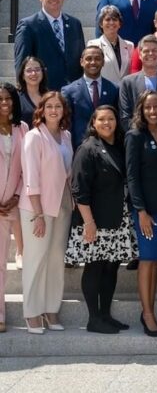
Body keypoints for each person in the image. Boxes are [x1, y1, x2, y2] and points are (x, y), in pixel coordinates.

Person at [66, 105, 136, 333]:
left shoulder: (118, 145)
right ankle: (93, 318)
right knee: (94, 268)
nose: (107, 123)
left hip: (116, 218)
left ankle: (106, 315)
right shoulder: (87, 149)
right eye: (102, 120)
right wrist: (89, 223)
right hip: (94, 221)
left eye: (111, 119)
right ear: (93, 123)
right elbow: (78, 189)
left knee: (112, 267)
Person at [19, 91, 73, 334]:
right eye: (49, 106)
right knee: (35, 259)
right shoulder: (33, 136)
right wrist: (38, 215)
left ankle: (51, 309)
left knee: (55, 260)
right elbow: (31, 177)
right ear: (42, 109)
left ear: (63, 110)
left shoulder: (67, 135)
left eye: (58, 106)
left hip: (62, 205)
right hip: (37, 208)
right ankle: (31, 313)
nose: (54, 110)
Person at [125, 90, 157, 337]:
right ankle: (147, 314)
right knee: (147, 259)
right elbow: (132, 176)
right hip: (145, 208)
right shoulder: (135, 136)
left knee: (156, 259)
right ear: (141, 110)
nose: (153, 111)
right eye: (148, 107)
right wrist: (141, 211)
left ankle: (150, 308)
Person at [14, 0, 85, 91]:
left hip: (73, 92)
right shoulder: (29, 25)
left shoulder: (74, 24)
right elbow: (22, 62)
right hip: (43, 92)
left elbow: (81, 58)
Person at [0, 84, 28, 333]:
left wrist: (17, 194)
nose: (4, 103)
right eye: (0, 99)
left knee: (28, 255)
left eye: (8, 98)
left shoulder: (23, 129)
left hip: (17, 202)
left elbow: (25, 168)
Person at [61, 45, 120, 149]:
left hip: (109, 148)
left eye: (97, 59)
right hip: (80, 148)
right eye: (88, 59)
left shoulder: (114, 89)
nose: (93, 62)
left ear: (103, 62)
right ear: (81, 62)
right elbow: (67, 124)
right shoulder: (68, 91)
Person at [87, 5, 134, 86]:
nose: (111, 22)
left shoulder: (130, 45)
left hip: (124, 93)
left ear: (119, 24)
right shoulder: (93, 45)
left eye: (115, 19)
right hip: (105, 92)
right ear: (101, 24)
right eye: (107, 19)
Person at [16, 57, 48, 127]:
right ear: (23, 75)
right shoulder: (16, 98)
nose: (33, 73)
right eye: (29, 70)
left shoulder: (49, 97)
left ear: (42, 73)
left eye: (37, 69)